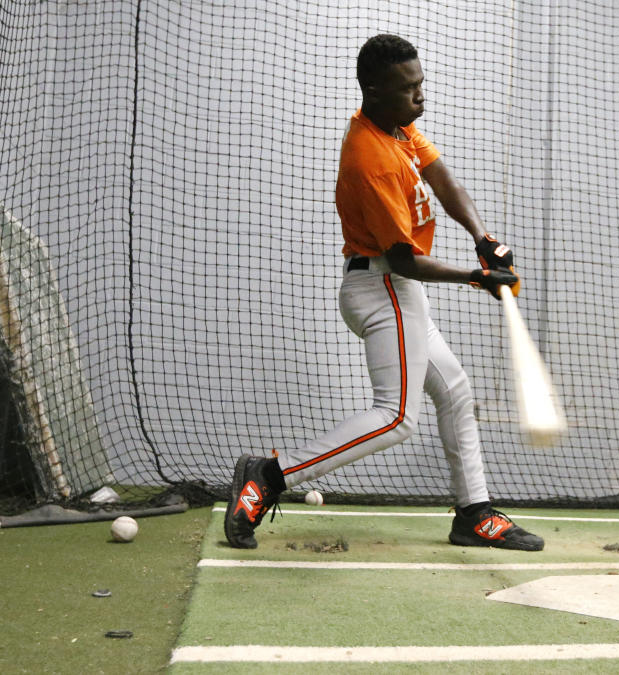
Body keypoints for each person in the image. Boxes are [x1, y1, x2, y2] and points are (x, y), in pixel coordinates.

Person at [224, 34, 543, 552]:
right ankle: (270, 475)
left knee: (455, 390)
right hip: (384, 286)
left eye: (421, 85)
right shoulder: (369, 157)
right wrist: (475, 277)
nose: (420, 98)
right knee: (396, 418)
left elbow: (440, 177)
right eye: (407, 90)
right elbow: (403, 261)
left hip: (396, 290)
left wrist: (484, 239)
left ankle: (474, 513)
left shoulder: (397, 129)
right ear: (372, 89)